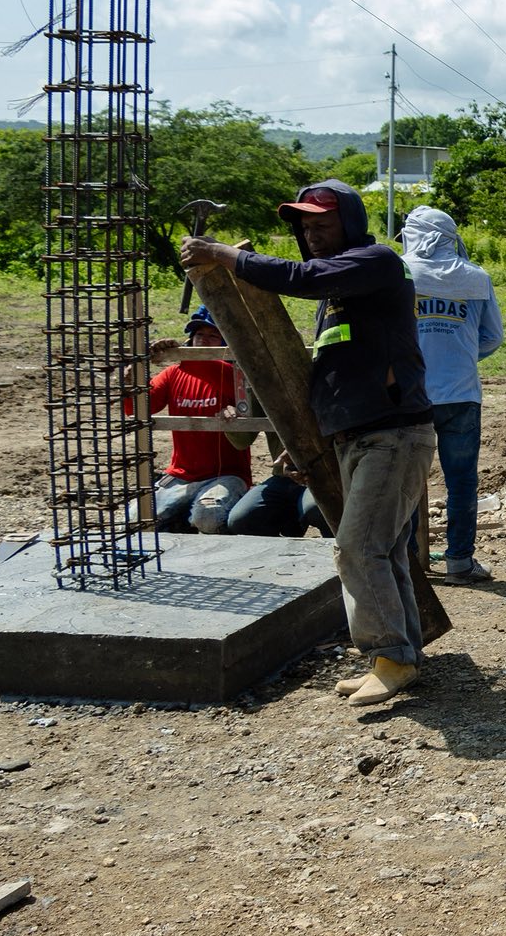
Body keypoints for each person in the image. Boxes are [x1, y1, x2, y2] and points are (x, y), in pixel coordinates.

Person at [179, 180, 436, 709]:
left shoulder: (376, 262)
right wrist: (306, 443)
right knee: (384, 549)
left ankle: (391, 658)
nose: (312, 234)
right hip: (358, 435)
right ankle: (400, 656)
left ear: (352, 223)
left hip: (392, 434)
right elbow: (332, 375)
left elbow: (301, 277)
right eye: (305, 226)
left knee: (357, 548)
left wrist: (220, 254)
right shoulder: (340, 299)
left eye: (324, 224)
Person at [399, 205, 504, 582]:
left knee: (406, 482)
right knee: (461, 482)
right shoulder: (476, 277)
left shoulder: (400, 273)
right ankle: (459, 561)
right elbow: (493, 337)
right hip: (462, 396)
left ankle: (409, 562)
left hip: (410, 397)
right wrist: (461, 354)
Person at [143, 307, 253, 533]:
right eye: (199, 334)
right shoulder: (174, 373)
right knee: (138, 518)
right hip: (180, 475)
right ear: (191, 338)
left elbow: (251, 412)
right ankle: (182, 520)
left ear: (224, 342)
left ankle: (194, 519)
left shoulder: (235, 374)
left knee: (209, 516)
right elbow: (139, 407)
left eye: (213, 336)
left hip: (227, 476)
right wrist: (131, 379)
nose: (204, 340)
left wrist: (181, 353)